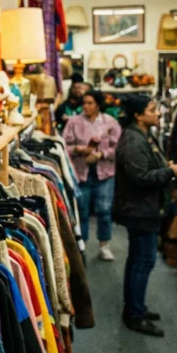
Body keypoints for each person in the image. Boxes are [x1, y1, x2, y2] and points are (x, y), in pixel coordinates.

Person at [113, 95, 177, 337]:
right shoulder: (134, 140)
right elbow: (140, 177)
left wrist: (166, 168)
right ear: (138, 115)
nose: (158, 113)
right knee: (142, 261)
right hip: (140, 210)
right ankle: (135, 314)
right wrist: (169, 171)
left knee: (138, 259)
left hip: (143, 208)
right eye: (152, 109)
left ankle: (136, 308)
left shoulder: (141, 135)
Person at [63, 89, 120, 261]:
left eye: (90, 103)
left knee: (104, 210)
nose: (86, 106)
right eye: (84, 103)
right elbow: (63, 146)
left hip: (105, 172)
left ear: (98, 105)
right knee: (82, 210)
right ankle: (83, 245)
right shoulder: (74, 123)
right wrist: (79, 149)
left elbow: (119, 147)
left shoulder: (110, 123)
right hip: (81, 173)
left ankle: (104, 244)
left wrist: (101, 154)